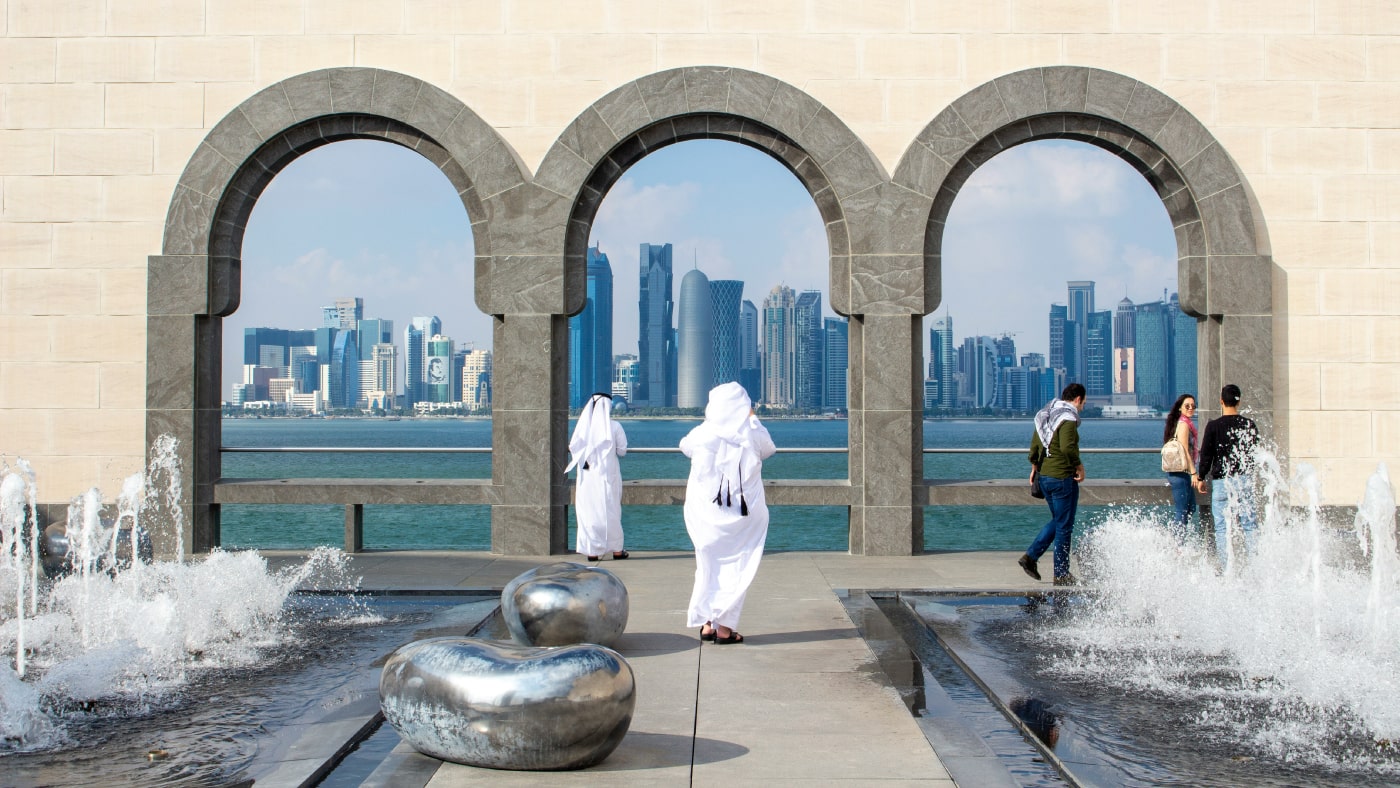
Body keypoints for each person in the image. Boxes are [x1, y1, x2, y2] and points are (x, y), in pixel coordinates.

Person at [680, 382, 777, 645]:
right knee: (737, 568)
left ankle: (707, 624)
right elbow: (769, 449)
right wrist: (753, 419)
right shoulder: (752, 433)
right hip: (744, 516)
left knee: (707, 566)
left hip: (707, 515)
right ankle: (724, 629)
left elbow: (685, 446)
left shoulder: (702, 433)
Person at [1019, 383, 1087, 586]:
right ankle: (1060, 573)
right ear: (1077, 399)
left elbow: (1035, 445)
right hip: (1062, 477)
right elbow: (1067, 448)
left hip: (1045, 476)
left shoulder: (1047, 414)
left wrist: (1034, 467)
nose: (1082, 407)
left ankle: (1031, 558)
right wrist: (1079, 466)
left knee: (1059, 521)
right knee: (1064, 526)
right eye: (1083, 402)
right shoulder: (1067, 418)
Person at [1194, 384, 1261, 570]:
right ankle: (1256, 567)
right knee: (1249, 525)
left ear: (1221, 401)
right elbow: (1255, 452)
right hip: (1244, 479)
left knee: (1222, 528)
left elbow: (1206, 455)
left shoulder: (1214, 426)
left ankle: (1227, 569)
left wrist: (1201, 477)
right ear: (1239, 402)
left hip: (1222, 482)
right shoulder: (1249, 425)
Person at [566, 392, 629, 561]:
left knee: (589, 513)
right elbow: (622, 451)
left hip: (586, 478)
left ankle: (592, 551)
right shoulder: (615, 426)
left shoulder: (582, 429)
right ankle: (617, 550)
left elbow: (573, 448)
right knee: (611, 511)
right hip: (608, 476)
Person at [1163, 393, 1199, 536]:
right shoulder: (1184, 424)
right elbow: (1185, 450)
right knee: (1182, 511)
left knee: (1190, 508)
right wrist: (1194, 473)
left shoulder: (1183, 422)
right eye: (1187, 406)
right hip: (1180, 473)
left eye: (1193, 406)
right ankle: (1177, 542)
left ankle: (1179, 538)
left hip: (1181, 473)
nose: (1191, 408)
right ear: (1180, 408)